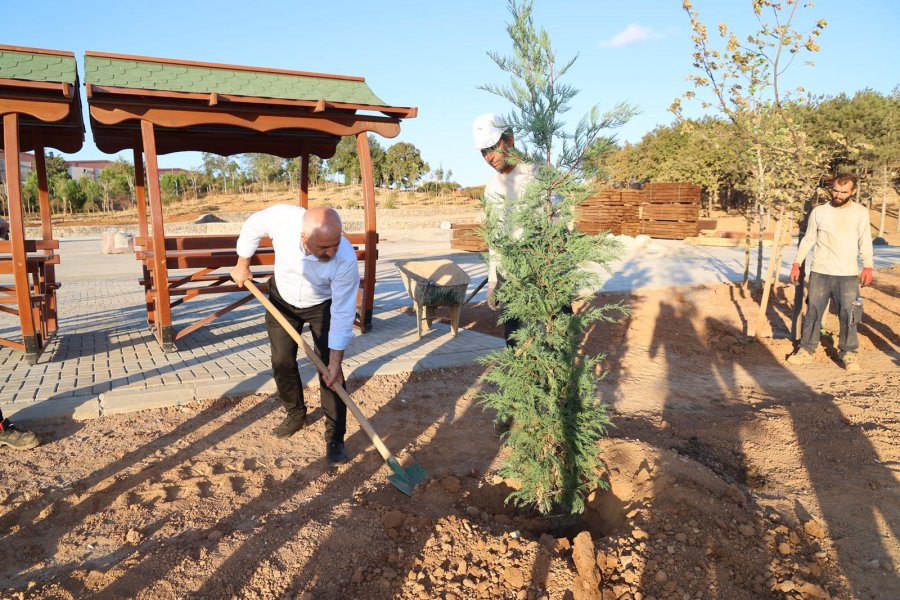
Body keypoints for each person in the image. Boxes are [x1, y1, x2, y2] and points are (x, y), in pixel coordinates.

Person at [231, 205, 360, 466]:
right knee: (281, 361)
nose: (331, 252)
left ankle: (335, 437)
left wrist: (336, 360)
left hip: (322, 305)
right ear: (304, 238)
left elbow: (343, 312)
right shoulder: (283, 219)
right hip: (282, 300)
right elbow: (252, 226)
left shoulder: (345, 258)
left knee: (329, 371)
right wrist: (242, 263)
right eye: (324, 247)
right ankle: (295, 414)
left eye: (335, 244)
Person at [787, 174, 874, 372]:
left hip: (848, 273)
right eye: (835, 190)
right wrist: (796, 263)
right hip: (820, 271)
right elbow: (809, 239)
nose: (838, 195)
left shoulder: (860, 212)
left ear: (852, 191)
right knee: (813, 311)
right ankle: (806, 350)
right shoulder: (819, 212)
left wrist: (868, 266)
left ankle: (849, 353)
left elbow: (865, 241)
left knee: (850, 314)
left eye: (843, 192)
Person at [472, 112, 540, 347]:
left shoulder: (538, 173)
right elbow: (495, 238)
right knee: (515, 347)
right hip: (510, 279)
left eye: (492, 148)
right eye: (483, 152)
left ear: (509, 140)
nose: (489, 157)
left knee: (551, 348)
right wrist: (493, 281)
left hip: (542, 276)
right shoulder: (492, 188)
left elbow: (559, 225)